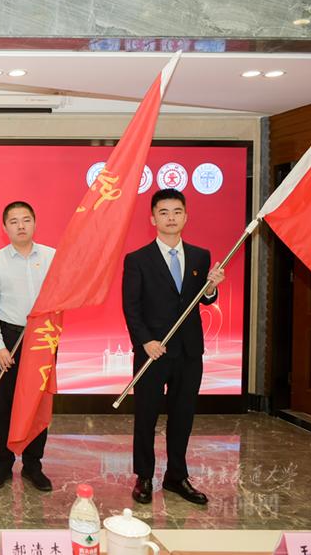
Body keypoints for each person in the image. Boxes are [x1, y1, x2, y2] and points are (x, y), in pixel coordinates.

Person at [122, 188, 225, 505]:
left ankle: (176, 476)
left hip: (189, 351)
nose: (171, 218)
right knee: (146, 416)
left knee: (183, 416)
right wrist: (146, 341)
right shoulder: (137, 259)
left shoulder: (200, 256)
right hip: (153, 352)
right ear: (153, 218)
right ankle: (144, 476)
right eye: (163, 212)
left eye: (177, 212)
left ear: (186, 216)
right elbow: (131, 307)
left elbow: (201, 300)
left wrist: (211, 288)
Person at [0, 201, 56, 492]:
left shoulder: (52, 257)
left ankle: (33, 465)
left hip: (43, 340)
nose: (21, 226)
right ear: (5, 227)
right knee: (6, 404)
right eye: (14, 221)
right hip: (8, 339)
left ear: (35, 223)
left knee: (37, 404)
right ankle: (2, 464)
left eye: (26, 220)